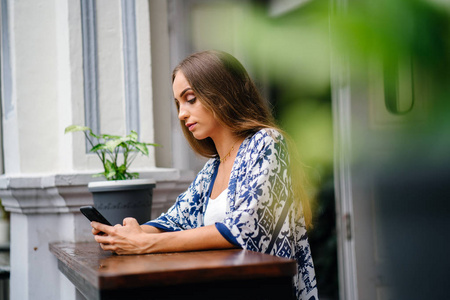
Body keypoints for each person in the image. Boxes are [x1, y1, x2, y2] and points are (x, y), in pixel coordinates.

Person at [91, 50, 318, 299]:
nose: (181, 114)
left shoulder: (268, 143)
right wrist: (128, 234)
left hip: (266, 289)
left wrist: (145, 244)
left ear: (221, 93)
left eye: (190, 99)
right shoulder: (213, 167)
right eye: (178, 103)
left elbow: (243, 228)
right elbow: (176, 220)